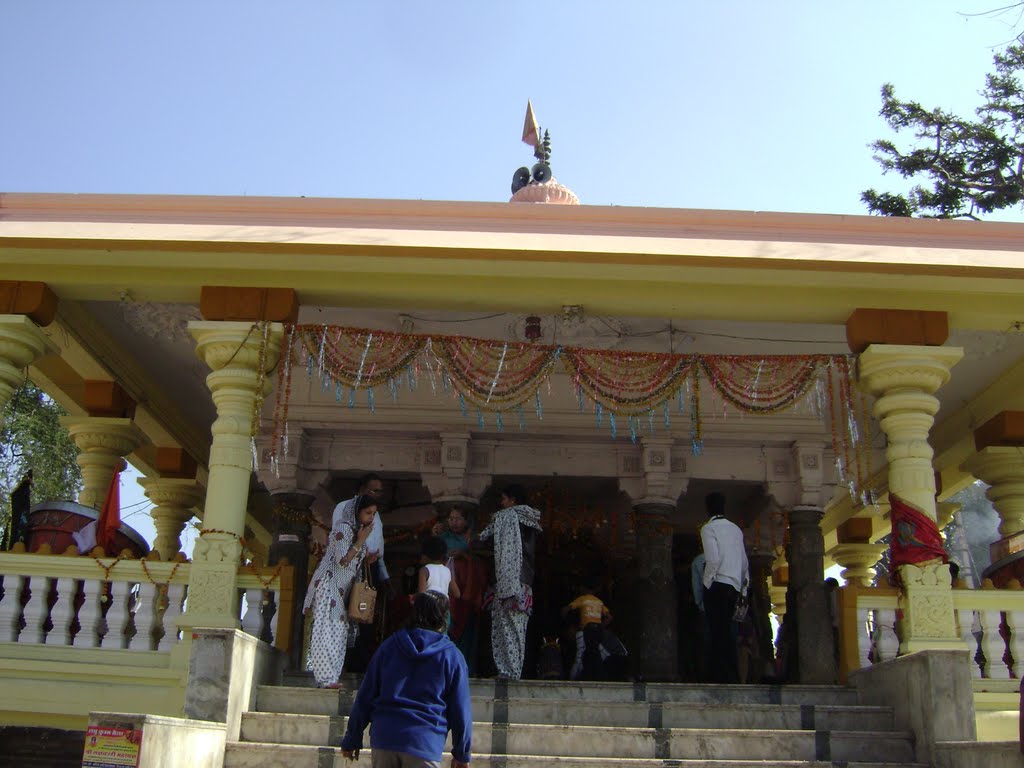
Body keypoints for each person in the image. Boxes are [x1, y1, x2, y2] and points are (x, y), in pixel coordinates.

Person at [341, 591, 472, 768]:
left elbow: (366, 695)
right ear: (443, 617)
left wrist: (352, 738)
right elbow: (460, 708)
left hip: (385, 739)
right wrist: (462, 753)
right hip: (424, 741)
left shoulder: (389, 647)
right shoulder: (452, 656)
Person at [304, 494, 376, 688]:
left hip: (343, 591)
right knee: (325, 630)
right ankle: (325, 678)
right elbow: (342, 560)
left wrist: (366, 555)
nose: (371, 518)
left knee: (338, 632)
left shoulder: (356, 532)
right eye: (368, 513)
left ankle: (331, 678)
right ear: (356, 512)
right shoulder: (343, 529)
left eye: (374, 514)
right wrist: (360, 541)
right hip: (329, 586)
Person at [477, 483, 542, 680]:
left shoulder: (507, 517)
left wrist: (508, 586)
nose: (502, 503)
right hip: (523, 583)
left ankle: (508, 671)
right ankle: (511, 670)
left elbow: (487, 541)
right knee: (517, 628)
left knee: (504, 627)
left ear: (513, 500)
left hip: (509, 582)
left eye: (504, 499)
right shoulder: (529, 521)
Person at [333, 473, 390, 672]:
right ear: (361, 490)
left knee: (364, 617)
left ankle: (361, 666)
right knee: (343, 616)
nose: (378, 495)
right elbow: (339, 540)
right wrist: (360, 550)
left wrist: (383, 575)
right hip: (348, 567)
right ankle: (340, 666)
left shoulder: (377, 515)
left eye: (380, 491)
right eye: (374, 490)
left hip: (369, 571)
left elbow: (379, 547)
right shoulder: (344, 508)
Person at [699, 491, 749, 684]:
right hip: (735, 586)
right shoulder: (736, 529)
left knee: (716, 632)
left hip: (718, 584)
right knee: (730, 632)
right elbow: (744, 563)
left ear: (708, 508)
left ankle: (717, 675)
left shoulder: (709, 528)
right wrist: (743, 590)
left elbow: (713, 559)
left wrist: (706, 584)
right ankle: (732, 675)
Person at [563, 584, 611, 681]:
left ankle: (582, 676)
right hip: (598, 631)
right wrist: (601, 626)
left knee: (585, 653)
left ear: (583, 589)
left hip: (588, 629)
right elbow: (609, 617)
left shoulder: (583, 599)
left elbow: (565, 609)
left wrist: (565, 621)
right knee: (595, 652)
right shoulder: (599, 601)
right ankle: (598, 675)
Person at [418, 536, 462, 601]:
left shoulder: (424, 570)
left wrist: (415, 597)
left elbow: (422, 595)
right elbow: (457, 594)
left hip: (430, 608)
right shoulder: (447, 570)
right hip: (444, 609)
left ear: (425, 556)